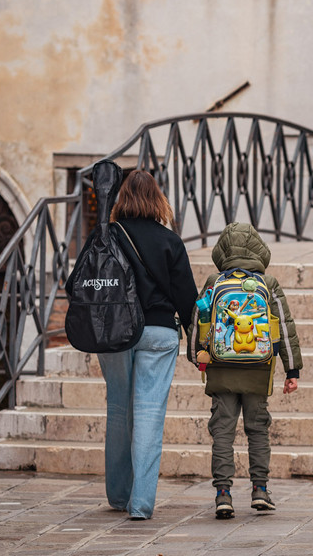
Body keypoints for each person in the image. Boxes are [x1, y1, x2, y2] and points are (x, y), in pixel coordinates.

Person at [96, 169, 198, 520]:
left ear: (121, 199)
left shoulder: (106, 237)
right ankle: (140, 503)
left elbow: (78, 283)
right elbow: (188, 298)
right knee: (149, 415)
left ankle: (118, 494)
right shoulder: (170, 242)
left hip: (114, 333)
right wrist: (196, 342)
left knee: (119, 411)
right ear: (158, 199)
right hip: (158, 332)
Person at [196, 222, 303, 519]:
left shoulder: (213, 281)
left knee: (222, 433)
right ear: (258, 249)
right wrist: (292, 370)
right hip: (259, 370)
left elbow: (199, 323)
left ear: (222, 251)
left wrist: (199, 358)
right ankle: (260, 490)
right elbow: (285, 327)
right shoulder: (268, 284)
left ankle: (223, 494)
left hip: (220, 371)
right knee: (258, 431)